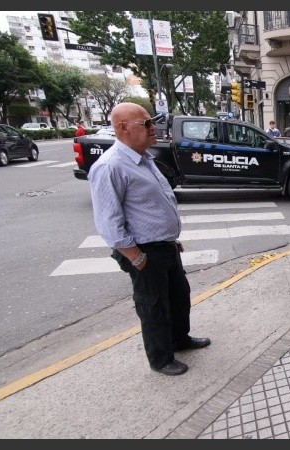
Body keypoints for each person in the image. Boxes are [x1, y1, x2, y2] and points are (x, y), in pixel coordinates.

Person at [88, 102, 210, 376]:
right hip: (143, 252)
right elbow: (108, 221)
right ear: (123, 128)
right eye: (146, 123)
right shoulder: (110, 166)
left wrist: (169, 238)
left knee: (179, 297)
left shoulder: (144, 157)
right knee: (153, 306)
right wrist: (135, 256)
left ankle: (180, 340)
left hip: (164, 247)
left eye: (152, 122)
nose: (153, 127)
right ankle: (161, 358)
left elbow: (152, 206)